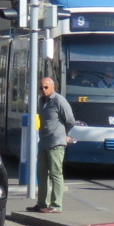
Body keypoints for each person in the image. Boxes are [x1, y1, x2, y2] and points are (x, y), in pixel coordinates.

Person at [30, 77, 75, 214]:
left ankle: (56, 205)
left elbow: (70, 120)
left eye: (46, 87)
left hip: (56, 142)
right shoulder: (41, 101)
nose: (43, 90)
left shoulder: (59, 100)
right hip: (43, 141)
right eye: (41, 88)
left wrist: (63, 134)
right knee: (41, 173)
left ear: (52, 87)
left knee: (56, 173)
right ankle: (42, 203)